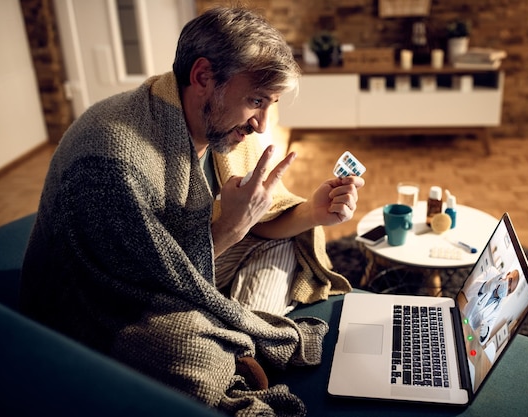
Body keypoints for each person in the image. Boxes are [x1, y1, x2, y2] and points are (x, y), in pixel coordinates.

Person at [20, 6, 363, 415]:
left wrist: (313, 213)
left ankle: (234, 337)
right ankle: (237, 339)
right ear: (202, 77)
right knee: (185, 355)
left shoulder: (230, 128)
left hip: (182, 266)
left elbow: (262, 226)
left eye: (271, 104)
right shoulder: (113, 155)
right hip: (99, 297)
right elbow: (138, 287)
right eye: (256, 101)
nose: (262, 124)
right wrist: (232, 227)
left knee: (285, 245)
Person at [463, 267, 520, 344]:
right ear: (508, 274)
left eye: (509, 291)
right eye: (510, 281)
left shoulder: (498, 307)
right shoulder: (492, 272)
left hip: (468, 334)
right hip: (462, 315)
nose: (507, 288)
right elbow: (468, 292)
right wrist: (485, 287)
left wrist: (485, 332)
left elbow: (484, 340)